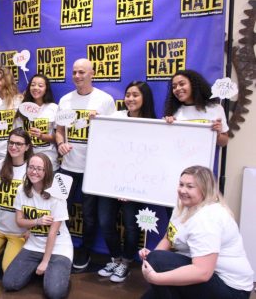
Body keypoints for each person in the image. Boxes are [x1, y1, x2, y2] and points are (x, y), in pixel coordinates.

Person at [139, 165, 253, 299]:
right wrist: (151, 258)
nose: (182, 190)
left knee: (158, 261)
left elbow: (203, 272)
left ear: (204, 189)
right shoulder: (182, 207)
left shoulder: (207, 219)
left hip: (231, 289)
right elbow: (168, 238)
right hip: (209, 277)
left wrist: (156, 277)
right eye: (181, 184)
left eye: (189, 186)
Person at [55, 58, 115, 270]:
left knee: (90, 216)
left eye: (82, 72)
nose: (77, 76)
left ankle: (85, 250)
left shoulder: (105, 100)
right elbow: (59, 129)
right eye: (74, 72)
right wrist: (60, 144)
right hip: (67, 167)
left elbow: (114, 134)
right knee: (60, 210)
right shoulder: (65, 100)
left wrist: (100, 122)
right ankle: (62, 248)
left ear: (92, 74)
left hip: (93, 170)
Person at [97, 81, 156, 282]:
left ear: (144, 98)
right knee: (105, 221)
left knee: (131, 226)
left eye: (135, 95)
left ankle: (126, 262)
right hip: (110, 181)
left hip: (135, 184)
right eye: (128, 94)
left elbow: (151, 158)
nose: (130, 99)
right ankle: (115, 258)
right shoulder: (116, 116)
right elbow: (104, 143)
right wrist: (96, 122)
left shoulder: (153, 123)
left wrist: (130, 187)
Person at [3, 153, 73, 299]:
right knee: (9, 283)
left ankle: (57, 273)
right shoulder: (22, 190)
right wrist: (37, 222)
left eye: (39, 169)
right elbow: (19, 221)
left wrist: (45, 261)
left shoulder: (57, 195)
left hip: (58, 248)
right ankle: (45, 271)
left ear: (46, 171)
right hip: (34, 245)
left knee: (54, 293)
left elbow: (53, 233)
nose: (34, 172)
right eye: (31, 167)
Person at [0, 127, 33, 272]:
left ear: (27, 147)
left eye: (19, 144)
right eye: (11, 143)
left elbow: (39, 204)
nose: (13, 147)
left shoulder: (32, 170)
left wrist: (32, 230)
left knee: (8, 270)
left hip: (18, 232)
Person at [164, 69, 229, 147]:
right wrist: (167, 128)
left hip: (204, 158)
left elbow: (224, 142)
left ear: (193, 84)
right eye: (174, 87)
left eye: (182, 84)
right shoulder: (173, 112)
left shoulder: (215, 108)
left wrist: (217, 134)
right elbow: (166, 142)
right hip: (178, 157)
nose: (177, 88)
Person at [15, 74, 59, 171]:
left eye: (40, 85)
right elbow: (17, 134)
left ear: (46, 89)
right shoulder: (22, 108)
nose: (36, 88)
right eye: (33, 84)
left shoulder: (53, 108)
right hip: (26, 160)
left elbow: (58, 138)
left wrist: (42, 136)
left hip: (48, 159)